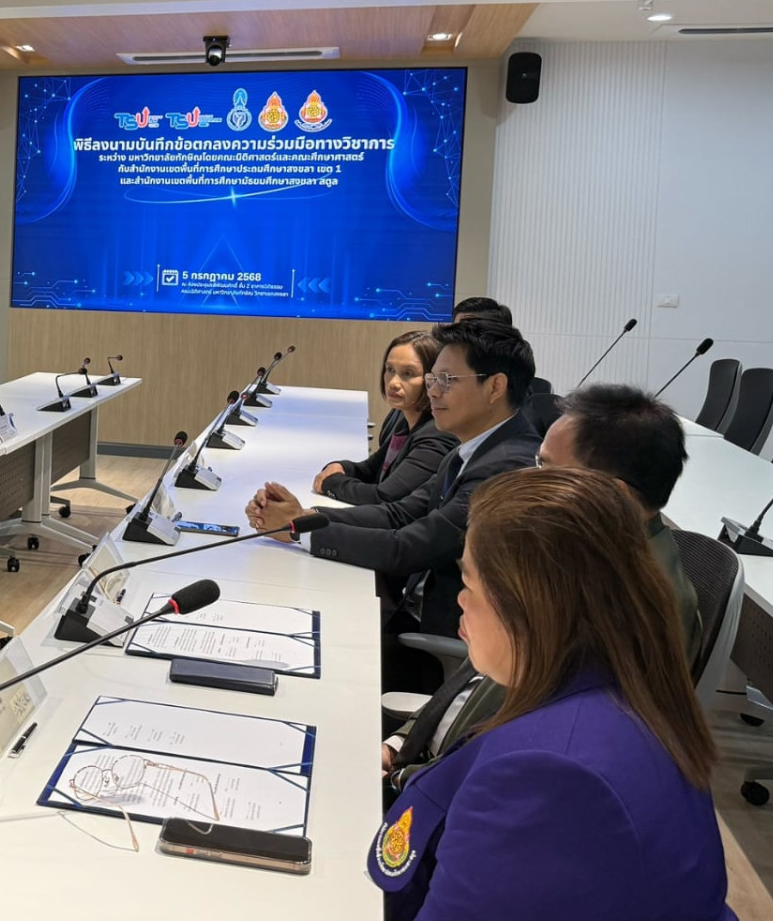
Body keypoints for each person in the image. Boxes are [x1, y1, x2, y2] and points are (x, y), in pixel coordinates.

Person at [372, 467, 735, 921]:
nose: (460, 599)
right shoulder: (605, 691)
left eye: (470, 581)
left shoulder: (561, 777)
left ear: (530, 603)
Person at [385, 384, 704, 790]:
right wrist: (399, 743)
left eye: (549, 469)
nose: (530, 480)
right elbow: (473, 682)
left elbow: (530, 753)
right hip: (432, 764)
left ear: (613, 496)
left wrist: (405, 777)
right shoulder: (583, 554)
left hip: (462, 790)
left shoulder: (629, 608)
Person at [246, 319, 542, 668]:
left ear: (495, 387)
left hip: (448, 644)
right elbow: (399, 513)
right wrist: (304, 519)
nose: (433, 392)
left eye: (446, 380)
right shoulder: (473, 449)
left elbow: (410, 547)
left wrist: (298, 531)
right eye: (432, 379)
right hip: (415, 611)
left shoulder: (504, 467)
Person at [313, 330, 455, 506]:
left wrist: (331, 483)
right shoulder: (402, 418)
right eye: (390, 370)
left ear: (432, 379)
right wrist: (341, 467)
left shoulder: (437, 435)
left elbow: (384, 496)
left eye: (408, 373)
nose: (393, 382)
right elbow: (371, 469)